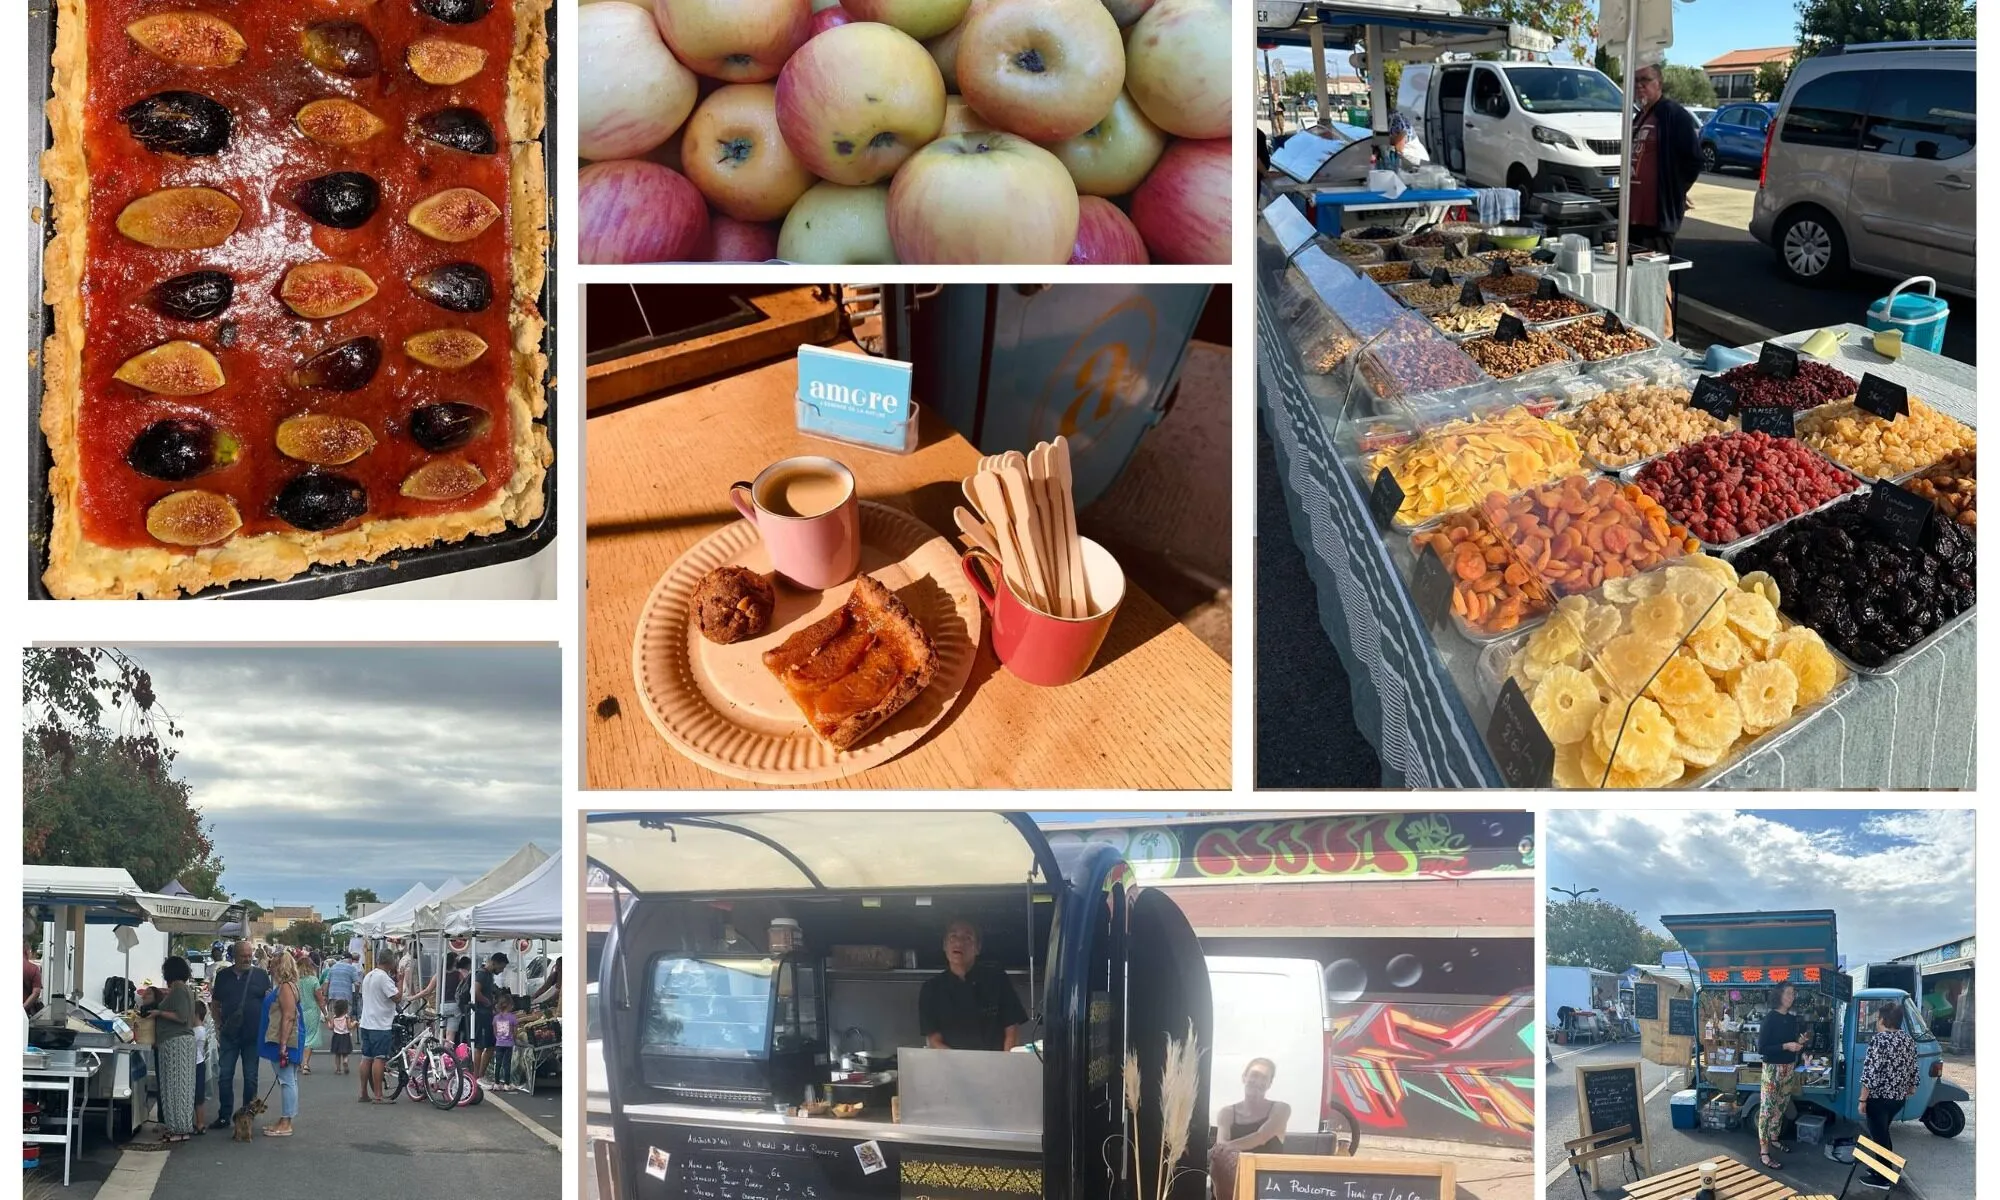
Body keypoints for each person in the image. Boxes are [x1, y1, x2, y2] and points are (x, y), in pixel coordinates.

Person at [1625, 61, 1701, 338]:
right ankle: (1644, 330)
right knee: (1640, 278)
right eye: (1635, 81)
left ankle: (1666, 334)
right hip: (1634, 214)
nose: (1639, 86)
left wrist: (1677, 191)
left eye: (1645, 80)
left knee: (1656, 277)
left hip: (1657, 216)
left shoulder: (1672, 114)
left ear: (1659, 83)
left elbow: (1693, 160)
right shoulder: (1639, 117)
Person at [918, 918, 1027, 1052]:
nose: (959, 943)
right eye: (953, 937)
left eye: (967, 938)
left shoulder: (997, 979)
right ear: (944, 945)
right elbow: (934, 1040)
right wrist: (963, 1067)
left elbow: (1012, 1029)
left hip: (995, 1065)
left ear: (978, 948)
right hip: (951, 1067)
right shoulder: (931, 989)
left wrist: (1004, 1064)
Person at [1209, 1058, 1293, 1200]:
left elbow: (1261, 1137)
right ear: (1244, 1077)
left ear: (1269, 1084)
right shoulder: (1227, 1113)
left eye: (1264, 1077)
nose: (1258, 1081)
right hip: (1232, 1184)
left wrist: (1226, 1148)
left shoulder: (1281, 1109)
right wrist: (1223, 1150)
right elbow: (1221, 1143)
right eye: (1254, 1075)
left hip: (1267, 1188)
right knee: (1221, 1159)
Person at [208, 941, 270, 1130]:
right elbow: (216, 1003)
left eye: (249, 954)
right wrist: (218, 1025)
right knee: (225, 1075)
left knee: (251, 1077)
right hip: (229, 1034)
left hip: (253, 1034)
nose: (247, 958)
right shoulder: (223, 976)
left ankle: (246, 1114)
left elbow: (268, 1001)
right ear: (234, 956)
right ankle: (225, 1115)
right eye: (243, 955)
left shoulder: (260, 975)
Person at [1857, 1000, 1919, 1190]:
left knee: (1879, 1136)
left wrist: (1862, 1099)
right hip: (1897, 1099)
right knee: (1883, 1134)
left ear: (1884, 1020)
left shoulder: (1879, 1039)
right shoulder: (1907, 1039)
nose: (1877, 1022)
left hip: (1879, 1099)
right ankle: (1882, 1169)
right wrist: (1911, 1087)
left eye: (1878, 1019)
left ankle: (1883, 1178)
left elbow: (1870, 1073)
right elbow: (1913, 1067)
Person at [1755, 982, 1806, 1169]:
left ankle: (1774, 1138)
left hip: (1788, 1067)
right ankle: (1764, 1151)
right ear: (1779, 996)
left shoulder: (1791, 1020)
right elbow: (1762, 1048)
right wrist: (1786, 1046)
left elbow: (1793, 1045)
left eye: (1793, 994)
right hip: (1772, 1069)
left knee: (1781, 1105)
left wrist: (1799, 1044)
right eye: (1788, 994)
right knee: (1767, 1109)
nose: (1791, 997)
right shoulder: (1770, 1019)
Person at [153, 956, 199, 1144]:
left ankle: (179, 1129)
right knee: (175, 1086)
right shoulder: (182, 989)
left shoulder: (179, 990)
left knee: (177, 1086)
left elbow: (181, 1016)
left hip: (176, 1043)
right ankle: (175, 1127)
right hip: (176, 1042)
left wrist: (159, 1012)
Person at [261, 950, 302, 1137]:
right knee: (288, 1079)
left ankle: (286, 1121)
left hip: (283, 1039)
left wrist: (283, 1045)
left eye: (272, 964)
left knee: (286, 1080)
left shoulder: (285, 987)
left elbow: (288, 1016)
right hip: (284, 1038)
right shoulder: (288, 986)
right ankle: (285, 1118)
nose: (269, 968)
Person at [357, 953, 401, 1104]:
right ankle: (378, 1095)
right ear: (390, 962)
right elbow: (397, 997)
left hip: (366, 1022)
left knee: (366, 1057)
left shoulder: (369, 976)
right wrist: (400, 980)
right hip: (380, 1024)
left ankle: (363, 1092)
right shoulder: (383, 978)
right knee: (379, 1058)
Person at [471, 953, 509, 1086]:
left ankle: (481, 1074)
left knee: (490, 1046)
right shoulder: (482, 974)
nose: (502, 970)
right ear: (495, 963)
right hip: (481, 1014)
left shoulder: (489, 975)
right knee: (480, 1046)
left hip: (487, 1014)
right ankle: (477, 1076)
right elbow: (475, 992)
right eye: (501, 967)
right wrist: (488, 1002)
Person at [297, 951, 323, 1075]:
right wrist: (326, 1013)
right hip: (312, 1010)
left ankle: (298, 1060)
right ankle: (306, 1063)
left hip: (297, 1010)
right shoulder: (313, 980)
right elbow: (320, 998)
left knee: (299, 1036)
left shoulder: (294, 981)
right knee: (310, 1037)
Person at [490, 994, 519, 1092]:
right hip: (509, 1044)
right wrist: (513, 1039)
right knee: (507, 1064)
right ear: (509, 1005)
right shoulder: (512, 1018)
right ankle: (507, 1083)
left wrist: (498, 1038)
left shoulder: (496, 1018)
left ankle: (497, 1083)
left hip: (499, 1043)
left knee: (497, 1064)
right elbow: (515, 1031)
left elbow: (494, 1031)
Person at [192, 1001, 211, 1134]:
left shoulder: (196, 1032)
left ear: (196, 1015)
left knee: (196, 1096)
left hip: (195, 1064)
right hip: (200, 1062)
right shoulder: (202, 1029)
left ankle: (199, 1122)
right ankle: (200, 1123)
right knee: (199, 1096)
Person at [327, 1000, 355, 1075]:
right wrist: (354, 1023)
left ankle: (338, 1069)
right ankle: (345, 1061)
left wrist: (328, 1023)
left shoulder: (334, 1018)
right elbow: (349, 1027)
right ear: (345, 1009)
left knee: (337, 1054)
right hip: (345, 1036)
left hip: (336, 1036)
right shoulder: (346, 1017)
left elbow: (331, 1027)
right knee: (345, 1053)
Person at [25, 942, 43, 1016]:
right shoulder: (33, 969)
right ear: (27, 951)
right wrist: (23, 1009)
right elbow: (36, 992)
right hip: (27, 1011)